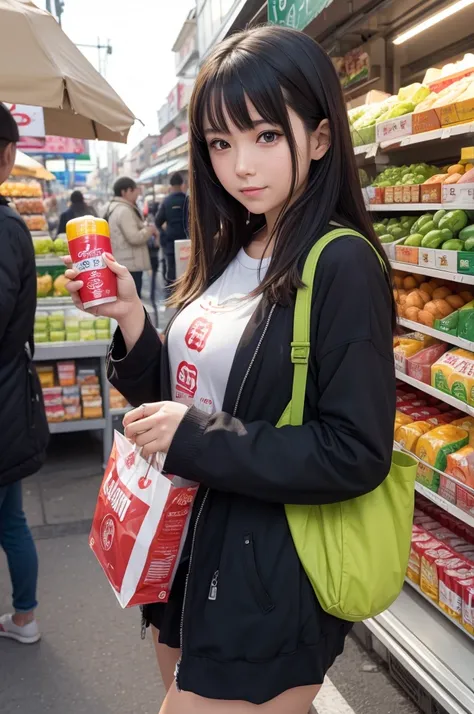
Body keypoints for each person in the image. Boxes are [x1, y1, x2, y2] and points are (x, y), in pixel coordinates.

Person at [64, 26, 395, 714]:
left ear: (322, 138)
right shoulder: (235, 245)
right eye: (220, 143)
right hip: (188, 550)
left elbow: (355, 452)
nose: (241, 164)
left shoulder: (340, 263)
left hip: (268, 574)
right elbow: (189, 398)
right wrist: (133, 321)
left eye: (266, 136)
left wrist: (197, 437)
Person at [0, 103, 49, 645]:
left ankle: (26, 616)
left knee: (10, 519)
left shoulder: (3, 227)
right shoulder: (9, 225)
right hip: (8, 401)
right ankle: (24, 617)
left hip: (4, 401)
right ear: (11, 155)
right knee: (10, 517)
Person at [105, 177, 157, 298]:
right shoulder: (124, 210)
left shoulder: (114, 207)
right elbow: (134, 237)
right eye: (133, 191)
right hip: (130, 265)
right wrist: (149, 230)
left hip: (122, 262)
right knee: (133, 300)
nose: (137, 195)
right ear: (125, 192)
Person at [155, 172, 187, 296]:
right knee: (186, 267)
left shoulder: (167, 202)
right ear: (182, 184)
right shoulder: (187, 200)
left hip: (171, 241)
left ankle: (172, 294)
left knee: (172, 268)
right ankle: (186, 291)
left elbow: (158, 221)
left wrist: (164, 233)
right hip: (186, 241)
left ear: (171, 185)